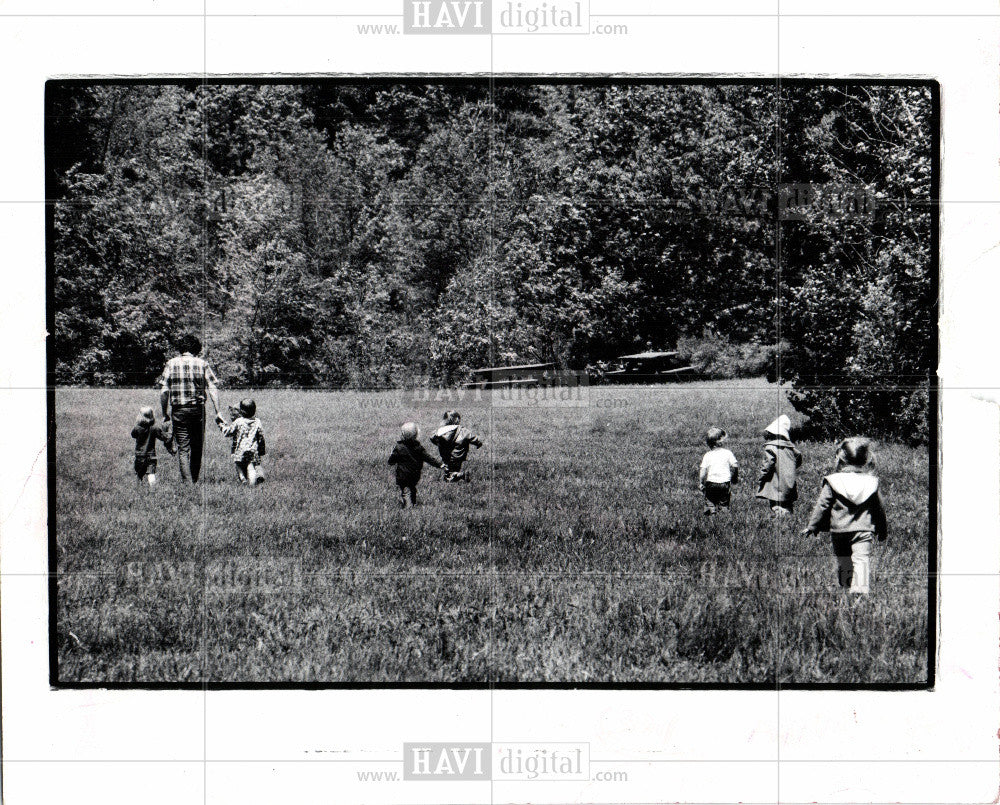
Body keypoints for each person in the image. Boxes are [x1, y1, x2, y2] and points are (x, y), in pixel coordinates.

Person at [802, 437, 888, 595]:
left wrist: (812, 526)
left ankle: (846, 587)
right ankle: (859, 590)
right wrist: (882, 529)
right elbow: (879, 509)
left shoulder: (833, 481)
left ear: (841, 458)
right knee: (861, 559)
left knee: (844, 560)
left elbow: (823, 505)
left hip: (839, 530)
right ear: (866, 458)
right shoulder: (871, 482)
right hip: (863, 530)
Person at [158, 333, 220, 484]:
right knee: (197, 447)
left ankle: (188, 484)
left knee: (183, 448)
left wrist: (165, 413)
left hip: (179, 410)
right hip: (198, 410)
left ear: (181, 348)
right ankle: (194, 479)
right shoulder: (202, 363)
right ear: (196, 348)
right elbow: (212, 388)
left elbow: (164, 390)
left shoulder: (170, 363)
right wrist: (218, 411)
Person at [755, 414, 803, 516]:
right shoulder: (791, 447)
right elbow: (798, 457)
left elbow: (768, 464)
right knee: (787, 503)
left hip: (775, 482)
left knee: (775, 503)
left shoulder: (770, 447)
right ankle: (788, 517)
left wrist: (761, 476)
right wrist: (791, 467)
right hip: (789, 481)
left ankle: (781, 517)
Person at [388, 422, 443, 508]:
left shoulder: (399, 447)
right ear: (416, 435)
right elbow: (428, 458)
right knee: (412, 488)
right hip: (415, 475)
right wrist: (440, 464)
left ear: (402, 435)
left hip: (403, 475)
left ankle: (408, 506)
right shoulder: (418, 447)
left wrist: (391, 457)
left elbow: (391, 461)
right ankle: (413, 503)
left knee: (406, 490)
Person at [216, 398, 266, 486]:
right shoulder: (258, 422)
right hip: (253, 449)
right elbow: (261, 436)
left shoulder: (238, 421)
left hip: (240, 450)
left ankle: (243, 479)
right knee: (251, 466)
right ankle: (252, 484)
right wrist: (261, 448)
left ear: (241, 412)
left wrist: (221, 425)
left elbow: (228, 432)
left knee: (238, 465)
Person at [430, 410, 483, 482]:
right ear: (457, 420)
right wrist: (478, 443)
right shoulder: (463, 430)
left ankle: (456, 476)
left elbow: (432, 437)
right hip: (458, 455)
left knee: (448, 470)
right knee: (452, 471)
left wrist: (438, 443)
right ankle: (460, 475)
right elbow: (472, 438)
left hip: (445, 455)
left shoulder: (440, 431)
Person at [699, 426, 739, 515]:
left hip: (711, 482)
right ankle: (724, 516)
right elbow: (735, 465)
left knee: (710, 500)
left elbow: (702, 470)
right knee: (724, 502)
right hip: (725, 482)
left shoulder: (707, 455)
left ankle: (712, 514)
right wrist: (735, 476)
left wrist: (701, 483)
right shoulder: (728, 453)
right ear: (721, 441)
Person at [131, 406, 174, 487]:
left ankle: (138, 488)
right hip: (151, 455)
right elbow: (164, 437)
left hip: (139, 455)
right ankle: (153, 489)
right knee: (151, 473)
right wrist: (170, 432)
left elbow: (133, 435)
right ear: (152, 416)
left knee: (139, 473)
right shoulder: (154, 428)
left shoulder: (137, 428)